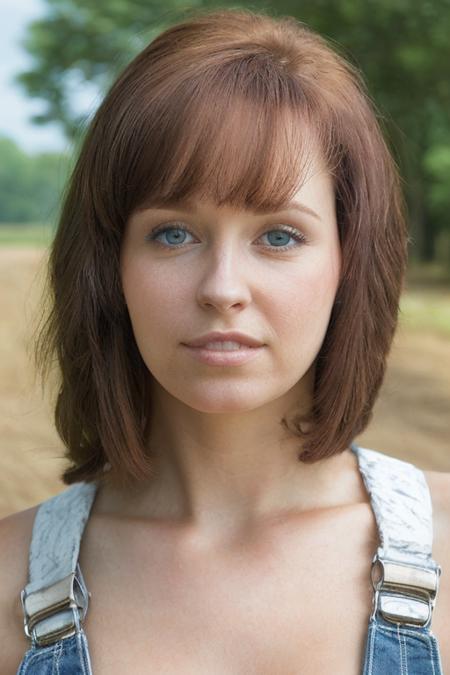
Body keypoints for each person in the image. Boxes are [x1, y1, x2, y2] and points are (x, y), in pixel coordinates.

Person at [0, 7, 449, 674]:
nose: (222, 287)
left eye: (279, 235)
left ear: (346, 263)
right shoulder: (7, 582)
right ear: (111, 265)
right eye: (173, 232)